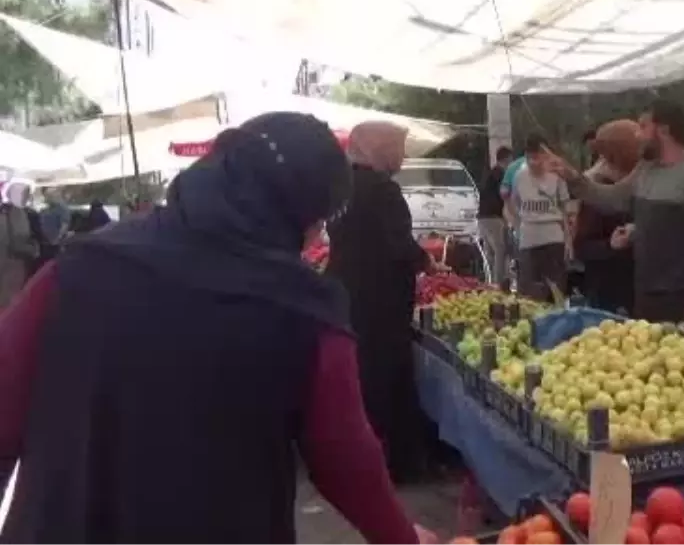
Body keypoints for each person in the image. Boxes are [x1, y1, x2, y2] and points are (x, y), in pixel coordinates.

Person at [0, 112, 433, 545]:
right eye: (318, 221)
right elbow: (345, 459)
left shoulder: (77, 270)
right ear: (298, 214)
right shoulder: (306, 312)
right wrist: (403, 538)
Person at [547, 100, 684, 332]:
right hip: (644, 293)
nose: (637, 134)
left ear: (663, 130)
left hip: (681, 296)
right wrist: (573, 177)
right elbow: (612, 199)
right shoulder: (646, 169)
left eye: (643, 126)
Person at [326, 121, 437, 485]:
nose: (403, 157)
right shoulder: (382, 190)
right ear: (380, 149)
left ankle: (364, 460)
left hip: (349, 292)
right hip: (381, 299)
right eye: (399, 148)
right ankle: (396, 464)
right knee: (388, 379)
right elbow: (397, 245)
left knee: (365, 378)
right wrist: (426, 261)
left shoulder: (342, 188)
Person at [573, 120, 639, 314]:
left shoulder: (641, 181)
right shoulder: (597, 187)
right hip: (607, 291)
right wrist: (611, 245)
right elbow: (582, 248)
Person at [510, 134, 571, 302]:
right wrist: (517, 228)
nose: (533, 162)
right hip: (529, 237)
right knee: (528, 290)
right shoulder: (519, 176)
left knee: (556, 288)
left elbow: (565, 208)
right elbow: (514, 203)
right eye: (529, 157)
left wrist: (568, 240)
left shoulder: (556, 176)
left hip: (553, 236)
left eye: (537, 157)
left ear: (545, 156)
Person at [478, 146, 514, 284]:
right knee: (500, 250)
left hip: (483, 217)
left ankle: (490, 281)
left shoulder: (491, 174)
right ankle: (498, 282)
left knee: (490, 252)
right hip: (493, 217)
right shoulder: (500, 174)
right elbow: (504, 195)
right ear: (506, 160)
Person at [0, 183, 36, 308]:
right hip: (11, 265)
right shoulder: (16, 213)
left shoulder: (10, 212)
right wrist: (34, 250)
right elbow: (18, 243)